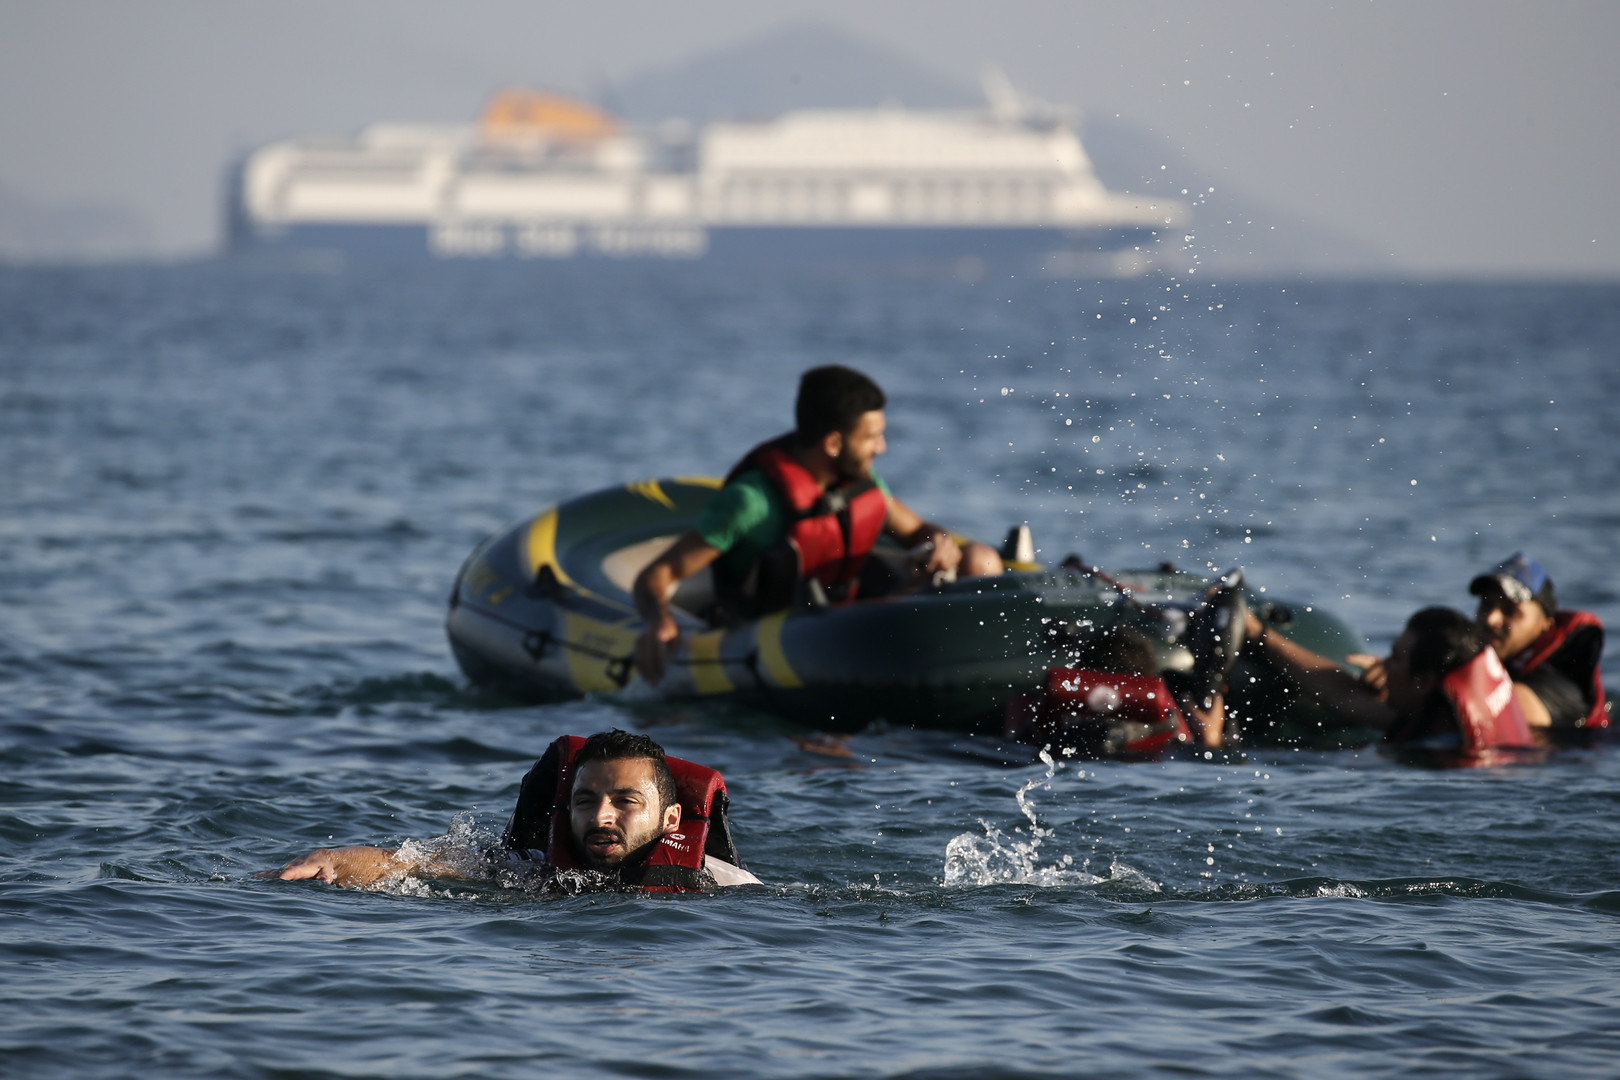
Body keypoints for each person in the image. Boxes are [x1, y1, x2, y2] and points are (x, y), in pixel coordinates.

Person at [633, 365, 1004, 682]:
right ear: (832, 444)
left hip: (853, 621)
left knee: (979, 559)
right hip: (778, 639)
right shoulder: (751, 500)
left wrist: (939, 543)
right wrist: (658, 620)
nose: (882, 448)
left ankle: (992, 669)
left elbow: (919, 531)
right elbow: (657, 575)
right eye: (871, 437)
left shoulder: (861, 485)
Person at [265, 729, 760, 892]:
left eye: (625, 801)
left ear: (672, 819)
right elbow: (408, 863)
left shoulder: (723, 886)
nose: (601, 817)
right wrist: (331, 859)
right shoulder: (529, 870)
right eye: (584, 801)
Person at [1244, 605, 1537, 758]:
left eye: (1395, 659)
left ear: (1422, 682)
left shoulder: (1427, 754)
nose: (1382, 665)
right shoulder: (1432, 720)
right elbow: (1344, 697)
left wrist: (1217, 749)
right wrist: (1257, 633)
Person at [1466, 552, 1607, 740]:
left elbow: (1511, 708)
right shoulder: (1499, 663)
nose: (1491, 619)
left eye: (1510, 610)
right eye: (1486, 605)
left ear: (1545, 625)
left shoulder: (1563, 684)